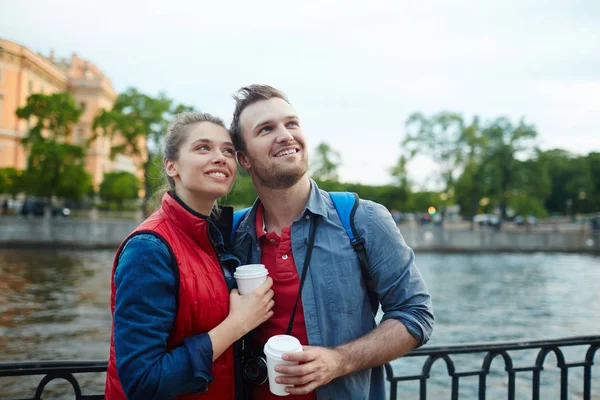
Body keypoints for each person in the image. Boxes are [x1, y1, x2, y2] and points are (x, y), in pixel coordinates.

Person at [229, 85, 434, 399]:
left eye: (291, 123)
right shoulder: (232, 234)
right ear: (244, 158)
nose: (285, 135)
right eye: (266, 129)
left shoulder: (363, 220)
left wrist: (339, 360)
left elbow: (415, 314)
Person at [104, 112, 275, 400]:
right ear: (172, 166)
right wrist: (237, 324)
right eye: (203, 148)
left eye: (228, 151)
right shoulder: (149, 248)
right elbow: (142, 381)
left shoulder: (213, 238)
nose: (220, 157)